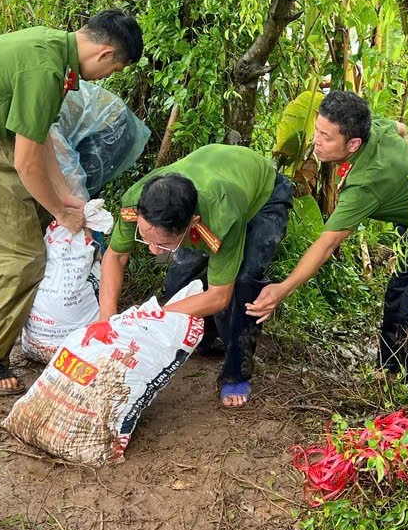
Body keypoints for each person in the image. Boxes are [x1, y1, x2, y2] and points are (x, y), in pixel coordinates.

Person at [0, 10, 142, 396]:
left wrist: (67, 200)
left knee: (42, 221)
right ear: (106, 54)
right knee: (19, 259)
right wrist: (62, 211)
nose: (107, 77)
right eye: (114, 70)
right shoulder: (45, 70)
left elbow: (38, 138)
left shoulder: (56, 52)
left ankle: (26, 323)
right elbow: (26, 162)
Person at [247, 90, 408, 380]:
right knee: (396, 295)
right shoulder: (376, 129)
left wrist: (282, 289)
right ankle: (386, 373)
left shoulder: (366, 184)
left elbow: (328, 243)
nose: (315, 141)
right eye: (317, 130)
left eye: (326, 137)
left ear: (354, 143)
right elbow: (402, 128)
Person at [99, 146, 293, 408]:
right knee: (179, 281)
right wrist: (107, 321)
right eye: (145, 238)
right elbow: (115, 257)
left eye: (163, 244)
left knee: (244, 282)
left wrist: (151, 318)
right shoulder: (136, 202)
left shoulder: (222, 217)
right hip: (213, 177)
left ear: (193, 223)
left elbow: (219, 295)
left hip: (262, 197)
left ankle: (236, 372)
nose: (153, 250)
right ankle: (208, 338)